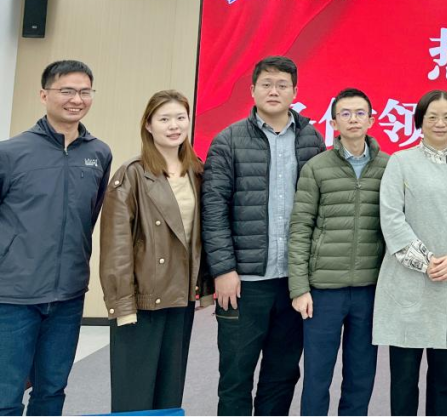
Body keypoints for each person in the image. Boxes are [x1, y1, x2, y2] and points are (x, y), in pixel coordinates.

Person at [201, 56, 325, 416]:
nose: (274, 91)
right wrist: (224, 270)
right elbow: (214, 210)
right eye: (266, 84)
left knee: (282, 376)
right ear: (252, 90)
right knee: (236, 377)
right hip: (244, 282)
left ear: (295, 92)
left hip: (294, 283)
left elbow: (320, 208)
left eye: (282, 85)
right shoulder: (228, 140)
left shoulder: (311, 139)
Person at [0, 60, 112, 417]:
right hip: (14, 296)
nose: (76, 99)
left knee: (51, 391)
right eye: (66, 91)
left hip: (68, 295)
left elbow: (89, 216)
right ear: (44, 94)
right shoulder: (10, 153)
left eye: (84, 92)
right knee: (5, 396)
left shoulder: (99, 153)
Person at [100, 90, 214, 412]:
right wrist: (122, 303)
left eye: (180, 118)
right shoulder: (132, 174)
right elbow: (116, 247)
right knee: (134, 395)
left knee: (169, 392)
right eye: (164, 119)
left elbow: (202, 236)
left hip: (181, 297)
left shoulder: (197, 171)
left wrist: (204, 288)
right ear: (148, 125)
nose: (174, 126)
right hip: (143, 299)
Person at [373, 90, 447, 417]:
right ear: (420, 120)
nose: (440, 123)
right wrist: (426, 261)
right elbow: (392, 218)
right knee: (404, 379)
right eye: (432, 116)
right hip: (409, 282)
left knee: (444, 380)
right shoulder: (401, 162)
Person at [288, 87, 389, 416]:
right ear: (333, 123)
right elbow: (300, 227)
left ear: (371, 120)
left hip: (369, 290)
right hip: (324, 291)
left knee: (361, 376)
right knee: (317, 377)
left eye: (360, 113)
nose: (353, 119)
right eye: (345, 114)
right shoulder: (317, 167)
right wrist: (299, 288)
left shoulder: (389, 167)